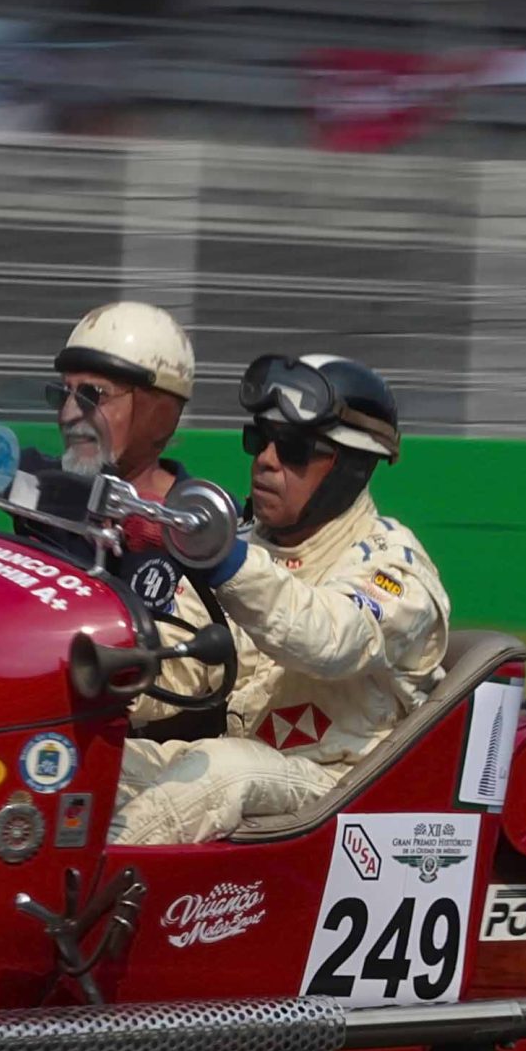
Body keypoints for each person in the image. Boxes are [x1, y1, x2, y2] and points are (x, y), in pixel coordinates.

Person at [109, 353, 450, 846]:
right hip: (252, 770)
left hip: (349, 789)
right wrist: (98, 682)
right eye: (259, 439)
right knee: (77, 762)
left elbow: (330, 640)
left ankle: (80, 906)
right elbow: (182, 667)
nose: (266, 459)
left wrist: (231, 564)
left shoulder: (395, 566)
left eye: (292, 448)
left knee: (226, 771)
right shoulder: (250, 548)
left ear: (351, 468)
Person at [0, 214, 198, 612]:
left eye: (91, 396)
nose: (67, 415)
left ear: (157, 410)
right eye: (62, 394)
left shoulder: (204, 529)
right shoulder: (44, 489)